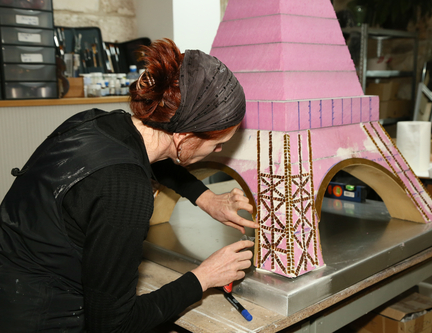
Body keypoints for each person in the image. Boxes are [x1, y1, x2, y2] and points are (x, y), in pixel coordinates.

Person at [0, 38, 259, 332]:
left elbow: (155, 159)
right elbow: (113, 324)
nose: (216, 153)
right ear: (184, 137)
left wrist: (206, 198)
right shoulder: (126, 190)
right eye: (218, 145)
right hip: (37, 317)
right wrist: (203, 278)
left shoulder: (96, 122)